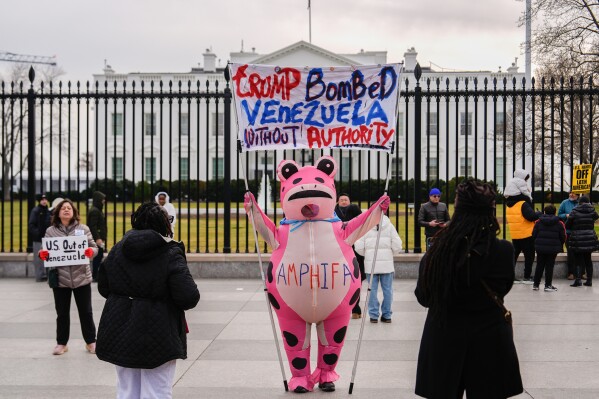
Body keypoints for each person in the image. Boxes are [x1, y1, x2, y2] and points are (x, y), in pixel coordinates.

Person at [415, 179, 523, 399]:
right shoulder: (503, 250)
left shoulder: (439, 251)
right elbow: (503, 288)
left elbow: (423, 297)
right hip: (489, 339)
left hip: (444, 336)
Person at [96, 202, 200, 399]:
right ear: (164, 224)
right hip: (158, 330)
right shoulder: (170, 252)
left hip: (120, 327)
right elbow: (188, 296)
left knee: (126, 391)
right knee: (157, 392)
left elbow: (104, 286)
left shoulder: (118, 249)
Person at [38, 199, 98, 356]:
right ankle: (61, 343)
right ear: (58, 212)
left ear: (74, 212)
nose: (66, 210)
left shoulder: (83, 229)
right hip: (60, 279)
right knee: (62, 313)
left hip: (82, 278)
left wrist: (91, 251)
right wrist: (41, 254)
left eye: (69, 208)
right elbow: (45, 251)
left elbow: (94, 246)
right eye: (63, 208)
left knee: (86, 312)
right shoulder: (50, 231)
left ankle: (91, 341)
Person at [354, 214, 402, 323]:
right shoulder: (389, 226)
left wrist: (367, 254)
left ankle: (374, 315)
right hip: (387, 265)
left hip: (371, 265)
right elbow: (397, 245)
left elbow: (359, 247)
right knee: (388, 290)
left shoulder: (366, 227)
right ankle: (387, 315)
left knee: (372, 290)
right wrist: (390, 254)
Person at [504, 169, 539, 283]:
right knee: (529, 257)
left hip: (515, 234)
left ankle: (510, 276)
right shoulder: (522, 203)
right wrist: (538, 213)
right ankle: (527, 276)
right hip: (526, 233)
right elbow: (531, 216)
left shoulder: (509, 205)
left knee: (514, 256)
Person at [334, 193, 365, 319]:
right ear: (338, 201)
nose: (343, 202)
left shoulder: (355, 210)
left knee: (356, 279)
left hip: (355, 250)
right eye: (341, 200)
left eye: (346, 200)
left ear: (349, 201)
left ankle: (355, 308)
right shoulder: (333, 212)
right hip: (338, 250)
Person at [566, 195, 599, 287]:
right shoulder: (592, 210)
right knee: (588, 260)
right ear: (588, 202)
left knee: (578, 260)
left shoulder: (574, 211)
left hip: (577, 239)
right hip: (589, 238)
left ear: (579, 202)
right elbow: (596, 217)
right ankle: (589, 280)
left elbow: (567, 225)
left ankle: (578, 280)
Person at [532, 205, 566, 292]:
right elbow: (563, 236)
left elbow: (533, 234)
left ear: (544, 212)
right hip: (553, 247)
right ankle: (548, 285)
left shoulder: (538, 222)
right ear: (555, 212)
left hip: (540, 247)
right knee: (549, 266)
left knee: (539, 265)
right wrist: (559, 244)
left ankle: (536, 284)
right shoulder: (559, 223)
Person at [28, 194, 51, 282]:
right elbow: (31, 225)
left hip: (48, 238)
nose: (44, 201)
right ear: (39, 201)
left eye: (45, 199)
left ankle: (46, 274)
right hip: (38, 239)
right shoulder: (35, 211)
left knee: (47, 256)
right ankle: (39, 276)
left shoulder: (48, 211)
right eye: (42, 199)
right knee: (39, 258)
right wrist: (38, 234)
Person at [558, 192, 580, 279]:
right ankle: (571, 273)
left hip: (579, 231)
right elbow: (559, 214)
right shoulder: (564, 202)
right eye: (570, 193)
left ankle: (581, 273)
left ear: (578, 195)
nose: (571, 194)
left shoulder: (581, 203)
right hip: (568, 232)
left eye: (574, 193)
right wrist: (566, 215)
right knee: (570, 253)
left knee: (581, 253)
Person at [87, 191, 107, 282]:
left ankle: (96, 274)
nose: (104, 201)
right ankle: (95, 275)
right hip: (97, 239)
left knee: (99, 256)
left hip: (99, 238)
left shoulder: (97, 210)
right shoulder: (95, 211)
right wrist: (98, 238)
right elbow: (92, 226)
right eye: (102, 199)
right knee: (97, 257)